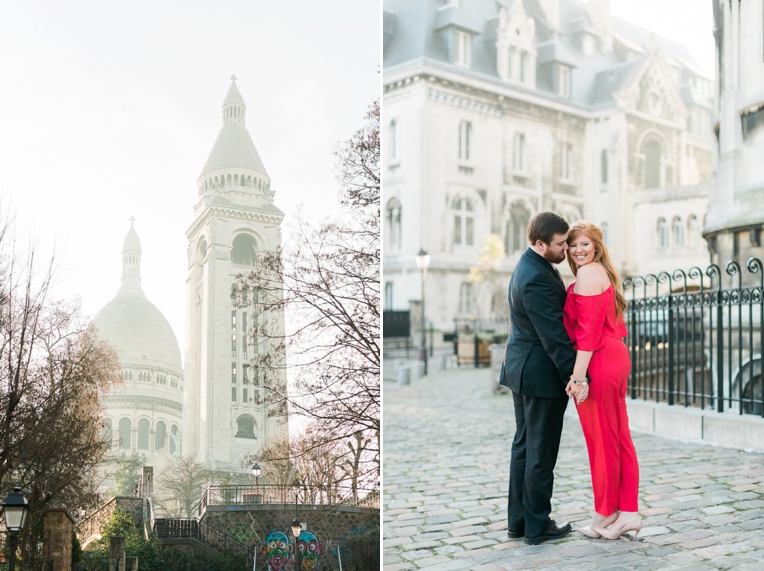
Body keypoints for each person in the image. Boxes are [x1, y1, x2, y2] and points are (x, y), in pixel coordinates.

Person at [499, 211, 578, 545]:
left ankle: (519, 522)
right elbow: (554, 336)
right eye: (560, 244)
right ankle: (538, 525)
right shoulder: (536, 277)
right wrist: (575, 376)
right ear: (539, 243)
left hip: (523, 368)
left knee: (524, 447)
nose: (566, 249)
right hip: (539, 374)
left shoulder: (529, 266)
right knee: (540, 451)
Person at [563, 220, 641, 540]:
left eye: (585, 244)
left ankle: (608, 512)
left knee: (604, 439)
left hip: (600, 360)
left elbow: (588, 332)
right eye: (574, 245)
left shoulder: (588, 272)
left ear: (596, 246)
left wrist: (578, 377)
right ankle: (624, 512)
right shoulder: (601, 272)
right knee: (616, 435)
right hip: (612, 356)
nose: (579, 250)